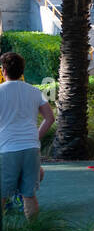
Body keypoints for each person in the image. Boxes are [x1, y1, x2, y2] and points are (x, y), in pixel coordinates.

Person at [0, 52, 53, 219]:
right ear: (22, 71)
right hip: (31, 147)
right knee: (29, 195)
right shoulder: (35, 91)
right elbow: (50, 118)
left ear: (3, 71)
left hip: (7, 148)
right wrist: (35, 137)